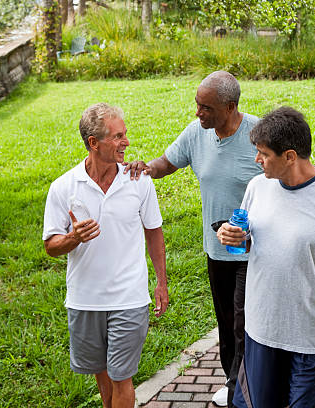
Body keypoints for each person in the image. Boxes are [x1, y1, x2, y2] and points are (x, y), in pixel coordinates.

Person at [217, 106, 315, 408]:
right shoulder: (257, 187)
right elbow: (254, 242)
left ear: (290, 156)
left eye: (263, 154)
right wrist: (235, 237)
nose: (257, 160)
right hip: (261, 332)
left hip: (309, 342)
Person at [124, 71, 261, 407]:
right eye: (197, 105)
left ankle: (245, 391)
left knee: (245, 325)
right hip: (216, 250)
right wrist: (147, 169)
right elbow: (168, 163)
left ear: (230, 107)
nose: (198, 112)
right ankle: (234, 383)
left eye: (206, 107)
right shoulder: (196, 134)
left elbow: (284, 180)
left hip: (254, 252)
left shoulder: (258, 134)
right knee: (227, 325)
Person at [43, 103, 169, 408]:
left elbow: (154, 231)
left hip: (129, 297)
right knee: (103, 377)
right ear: (93, 143)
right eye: (117, 136)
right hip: (85, 299)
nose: (126, 142)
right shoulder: (64, 187)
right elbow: (50, 245)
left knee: (121, 377)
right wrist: (73, 238)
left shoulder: (138, 181)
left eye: (125, 134)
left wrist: (161, 283)